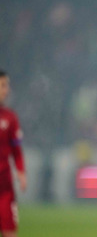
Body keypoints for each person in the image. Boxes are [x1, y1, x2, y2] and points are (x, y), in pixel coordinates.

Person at [0, 70, 26, 237]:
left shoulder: (10, 118)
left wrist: (20, 171)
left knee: (10, 232)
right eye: (3, 85)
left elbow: (16, 150)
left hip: (5, 189)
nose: (7, 89)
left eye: (7, 85)